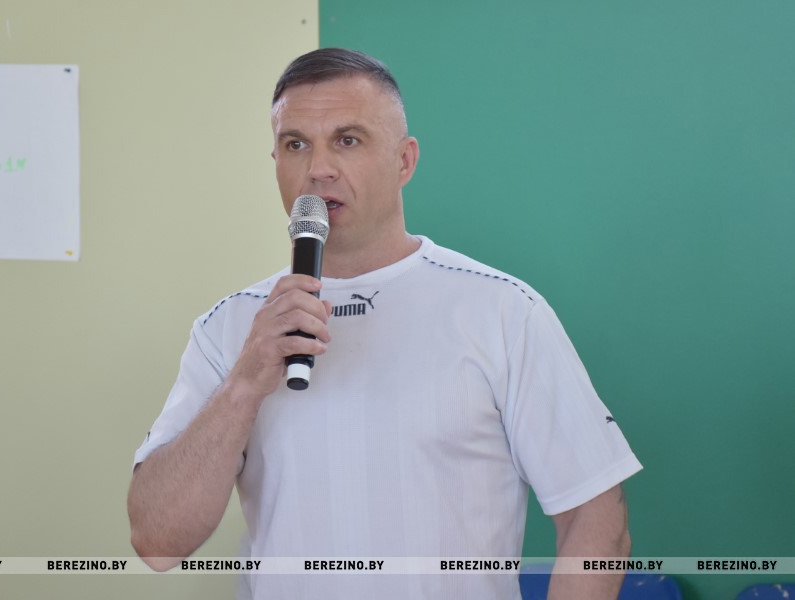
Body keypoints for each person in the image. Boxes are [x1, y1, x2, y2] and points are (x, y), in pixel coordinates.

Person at [128, 48, 642, 599]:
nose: (318, 168)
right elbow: (157, 541)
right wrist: (244, 383)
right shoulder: (229, 328)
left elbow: (596, 518)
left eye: (347, 140)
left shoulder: (501, 310)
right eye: (295, 144)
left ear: (404, 161)